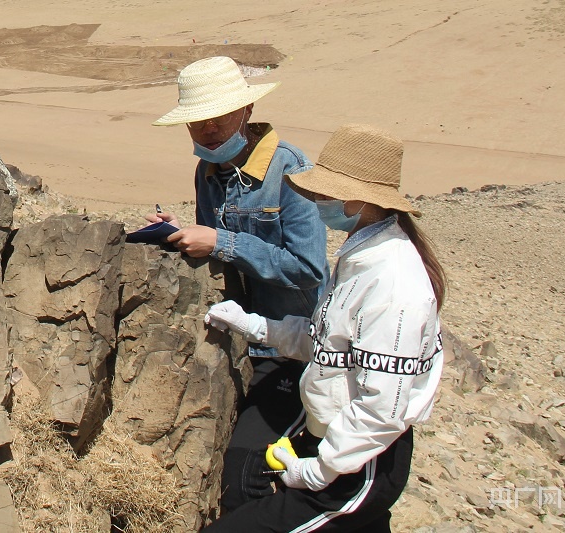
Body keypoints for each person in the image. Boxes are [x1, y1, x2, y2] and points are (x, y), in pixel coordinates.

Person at [201, 123, 446, 532]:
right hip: (338, 443)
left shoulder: (394, 284)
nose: (315, 199)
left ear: (358, 200)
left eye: (325, 191)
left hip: (359, 466)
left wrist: (319, 471)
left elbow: (383, 410)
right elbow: (324, 343)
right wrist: (256, 326)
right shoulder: (362, 255)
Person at [150, 56, 330, 510]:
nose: (207, 129)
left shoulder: (290, 170)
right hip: (237, 340)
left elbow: (308, 269)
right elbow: (220, 251)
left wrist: (222, 240)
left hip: (290, 348)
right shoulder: (208, 172)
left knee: (246, 472)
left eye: (217, 117)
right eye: (196, 121)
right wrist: (181, 233)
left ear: (246, 111)